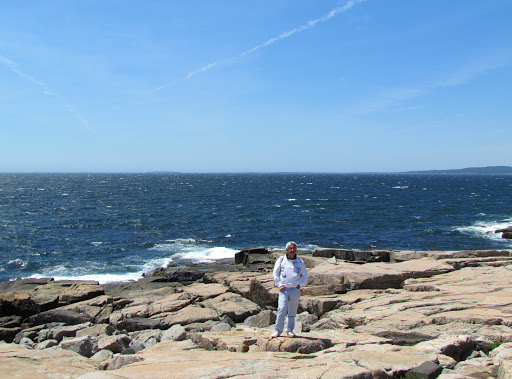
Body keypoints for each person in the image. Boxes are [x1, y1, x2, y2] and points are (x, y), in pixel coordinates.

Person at [271, 241, 308, 338]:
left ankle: (290, 330)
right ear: (287, 250)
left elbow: (305, 275)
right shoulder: (281, 259)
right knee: (281, 309)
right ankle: (278, 330)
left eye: (294, 248)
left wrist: (300, 284)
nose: (292, 250)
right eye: (290, 248)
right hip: (284, 289)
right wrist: (279, 285)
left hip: (295, 290)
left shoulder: (300, 261)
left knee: (292, 311)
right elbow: (275, 273)